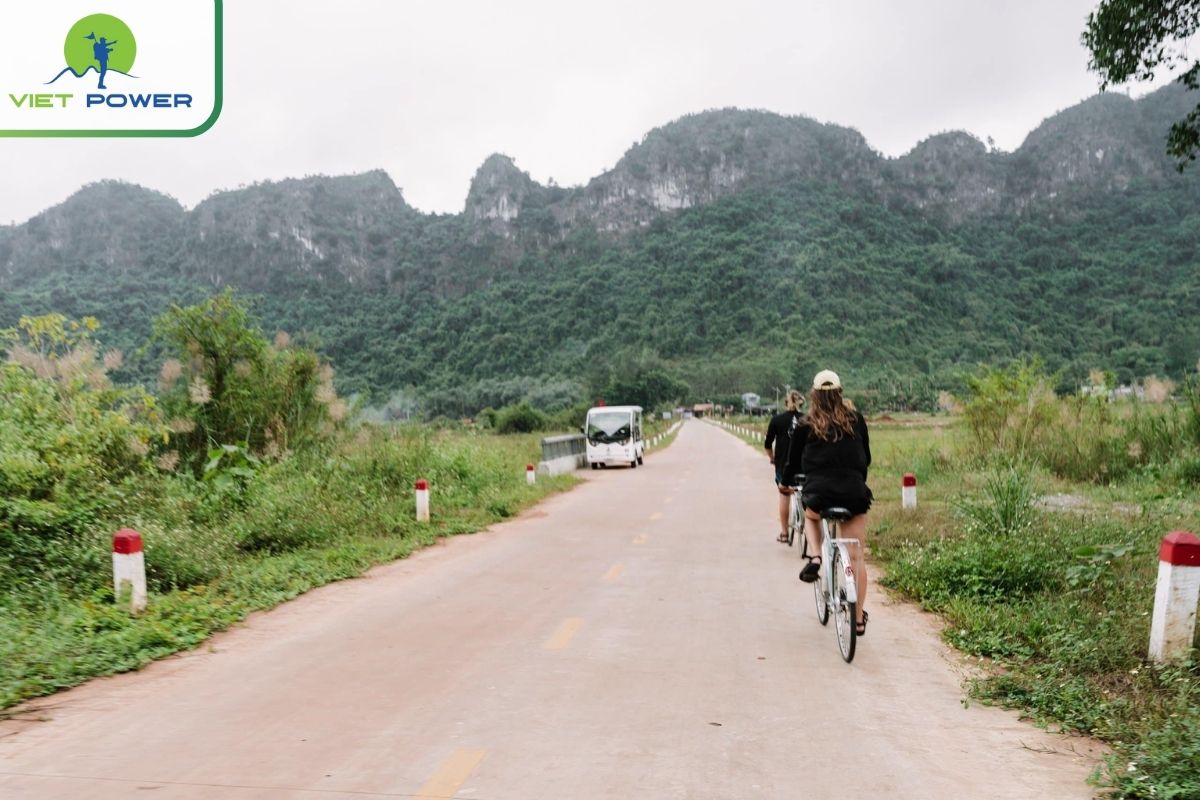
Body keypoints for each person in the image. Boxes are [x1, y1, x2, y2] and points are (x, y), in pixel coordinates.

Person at [782, 370, 872, 636]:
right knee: (856, 557)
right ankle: (857, 620)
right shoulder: (856, 420)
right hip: (853, 491)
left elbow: (792, 462)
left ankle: (817, 555)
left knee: (810, 516)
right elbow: (865, 457)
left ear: (814, 395)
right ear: (840, 393)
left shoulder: (806, 423)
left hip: (819, 492)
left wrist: (786, 482)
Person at [763, 390, 804, 543]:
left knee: (784, 494)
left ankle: (784, 533)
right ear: (801, 403)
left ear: (785, 403)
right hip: (803, 465)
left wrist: (772, 458)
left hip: (783, 464)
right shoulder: (807, 419)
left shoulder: (777, 420)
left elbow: (768, 444)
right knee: (806, 492)